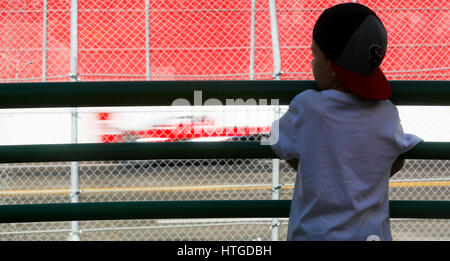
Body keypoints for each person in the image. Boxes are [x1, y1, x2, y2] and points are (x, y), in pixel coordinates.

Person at [268, 3, 422, 241]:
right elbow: (398, 158)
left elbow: (277, 138)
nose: (311, 62)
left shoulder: (307, 108)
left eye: (314, 54)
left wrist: (318, 170)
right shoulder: (386, 113)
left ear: (331, 65)